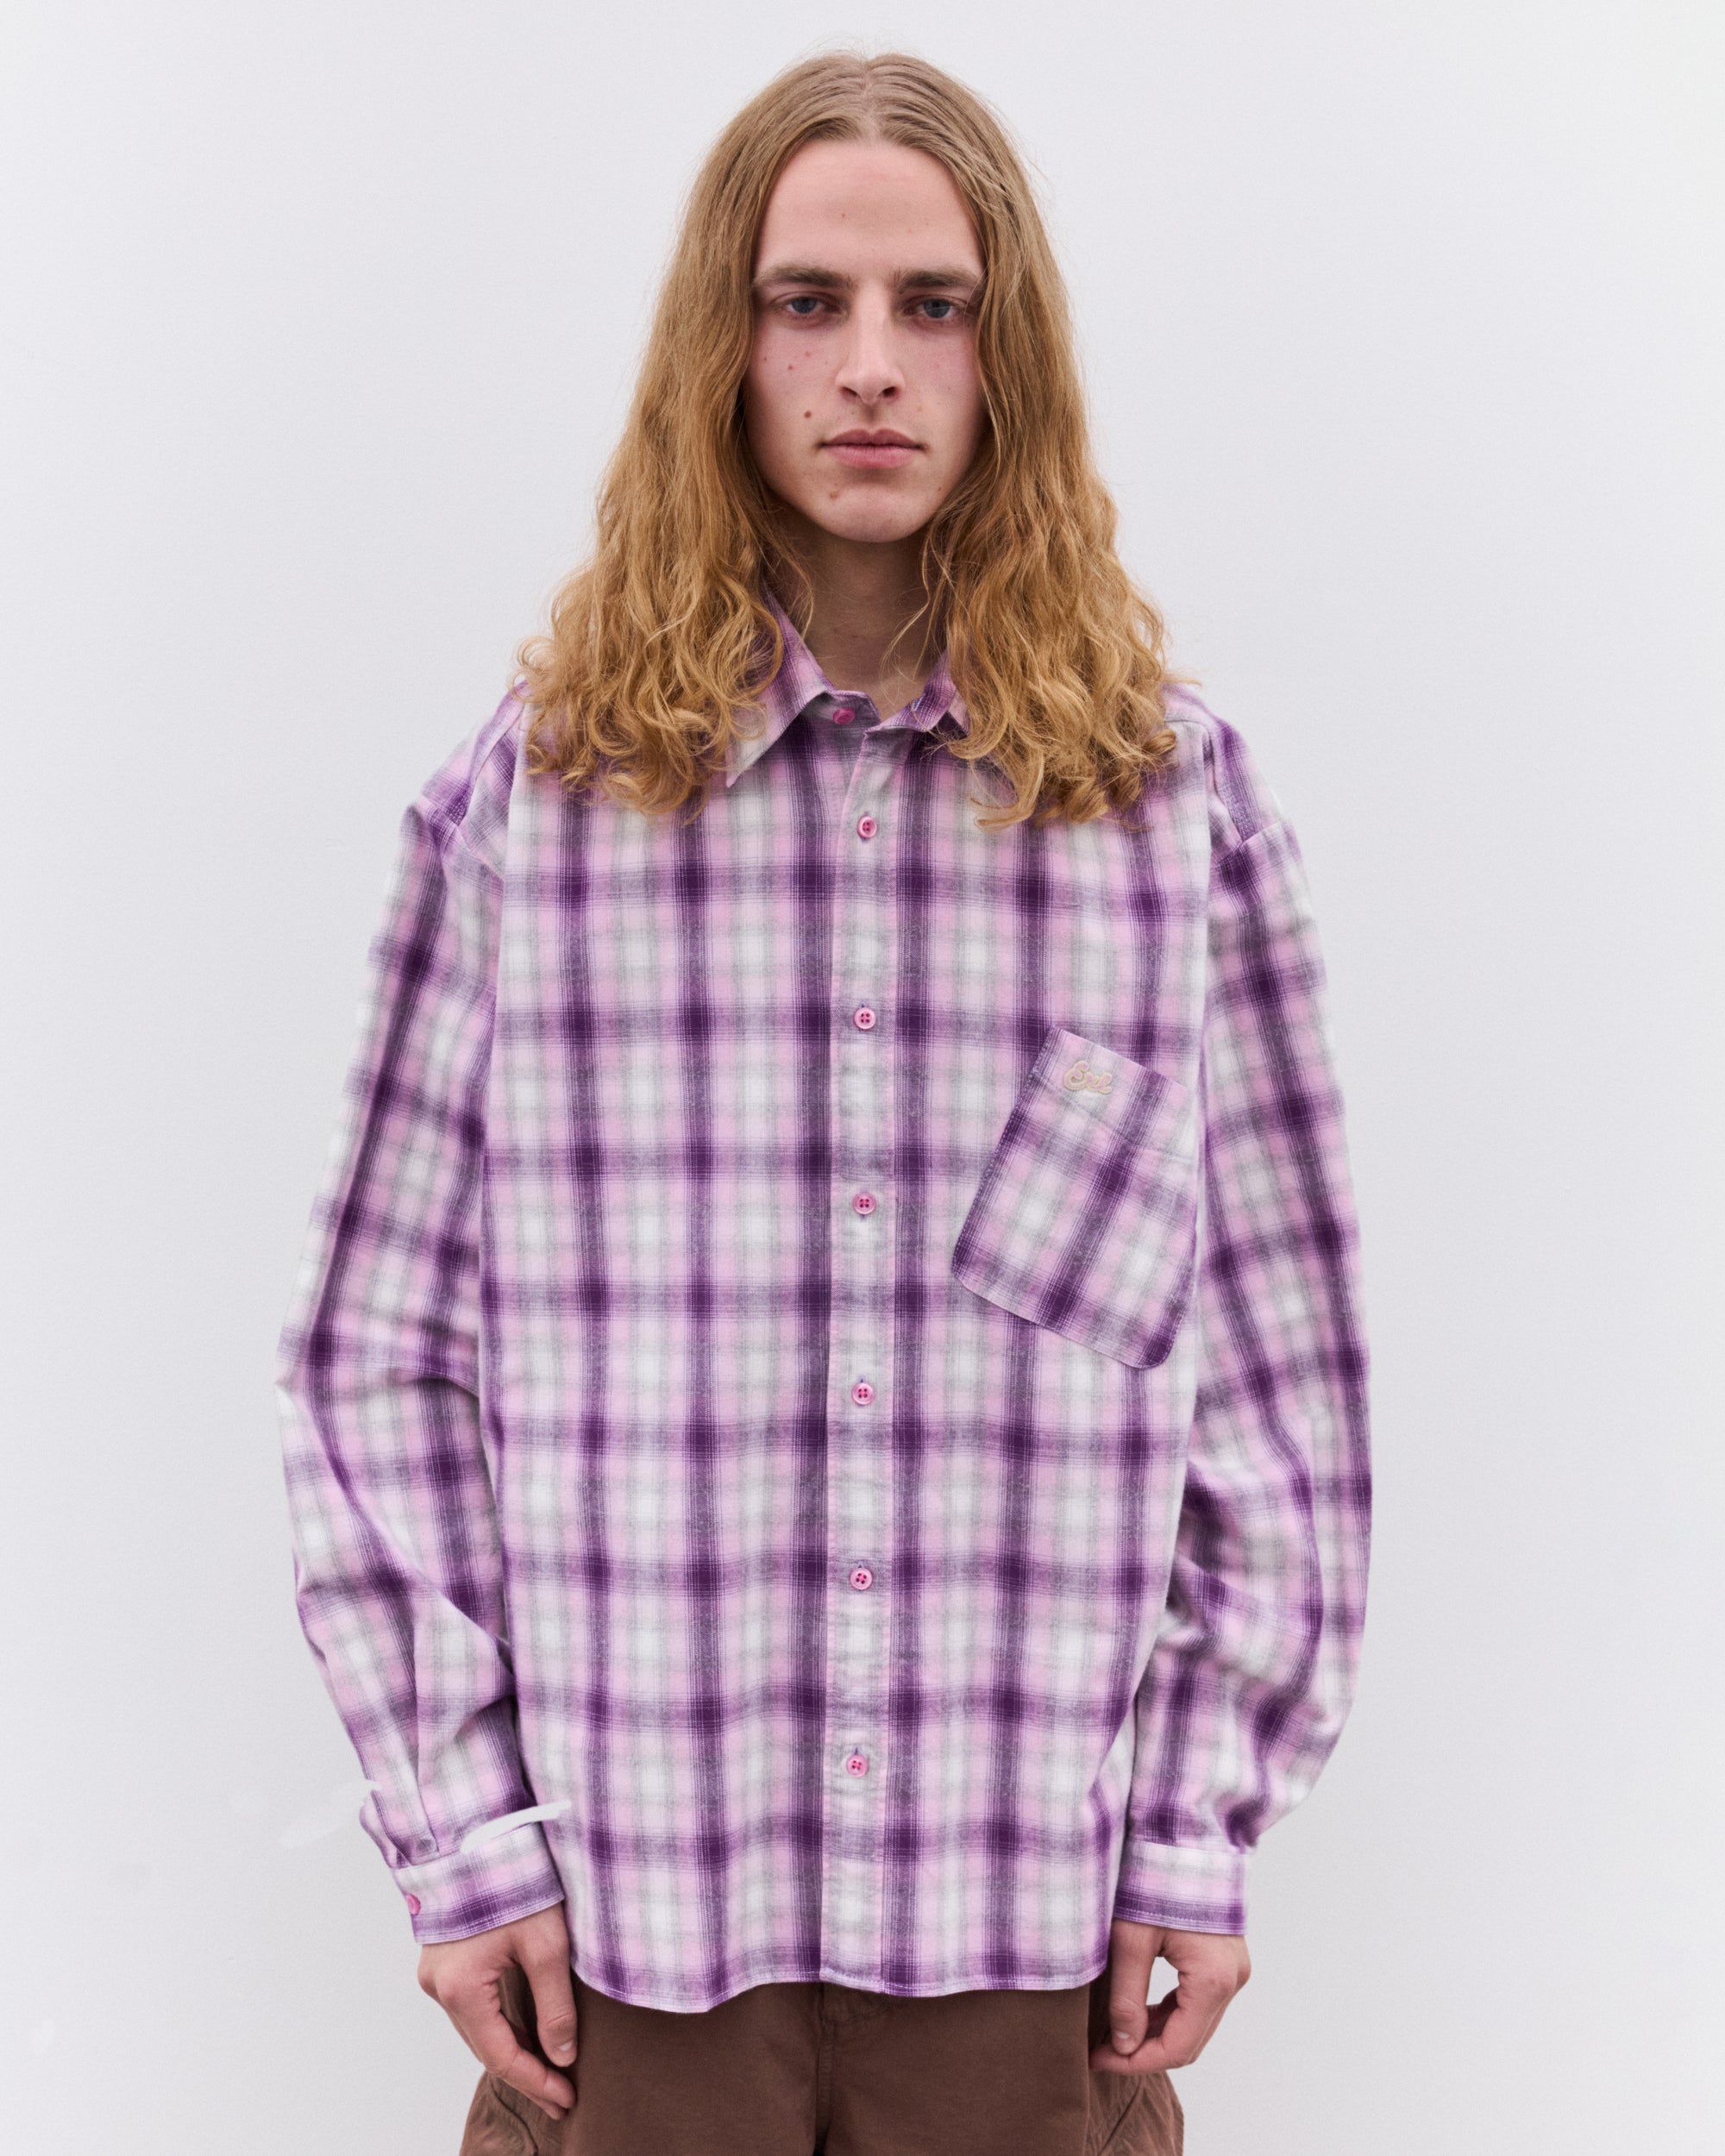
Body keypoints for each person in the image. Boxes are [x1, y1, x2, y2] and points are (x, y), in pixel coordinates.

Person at [275, 48, 1371, 2156]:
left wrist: (1204, 1812)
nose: (870, 363)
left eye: (932, 304)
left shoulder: (1173, 817)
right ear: (726, 341)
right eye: (807, 301)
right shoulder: (533, 806)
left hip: (1029, 1938)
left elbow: (1272, 1367)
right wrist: (459, 1829)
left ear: (1005, 354)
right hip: (631, 1942)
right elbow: (379, 1353)